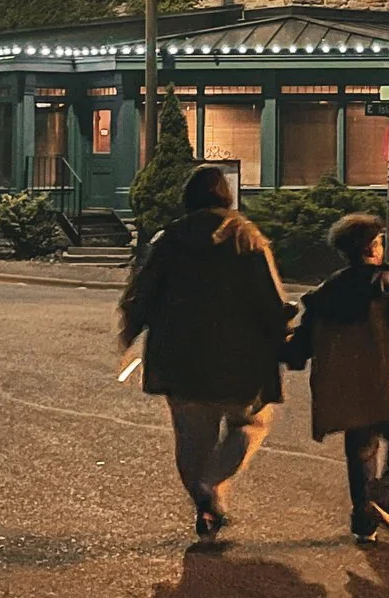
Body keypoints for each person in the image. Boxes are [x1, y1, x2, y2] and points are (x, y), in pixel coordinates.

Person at [119, 164, 297, 544]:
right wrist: (284, 332)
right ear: (226, 197)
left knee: (190, 437)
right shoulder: (246, 238)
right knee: (250, 423)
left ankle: (202, 498)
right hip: (241, 360)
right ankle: (212, 485)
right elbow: (270, 300)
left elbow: (142, 294)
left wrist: (129, 332)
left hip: (179, 358)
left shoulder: (168, 240)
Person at [292, 211, 389, 543]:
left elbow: (303, 343)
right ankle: (387, 500)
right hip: (387, 385)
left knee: (361, 448)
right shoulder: (387, 282)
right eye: (379, 242)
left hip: (347, 391)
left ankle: (364, 522)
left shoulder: (327, 291)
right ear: (371, 247)